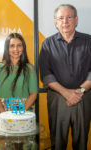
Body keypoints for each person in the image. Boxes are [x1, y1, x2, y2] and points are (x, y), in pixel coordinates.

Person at [39, 4, 91, 150]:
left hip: (83, 97)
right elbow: (46, 75)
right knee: (57, 142)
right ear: (56, 22)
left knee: (81, 143)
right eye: (61, 18)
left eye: (69, 17)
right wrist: (67, 93)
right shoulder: (48, 44)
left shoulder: (88, 41)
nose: (65, 22)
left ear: (76, 20)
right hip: (58, 98)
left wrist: (79, 92)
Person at [0, 33, 38, 150]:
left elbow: (33, 93)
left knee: (26, 146)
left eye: (19, 45)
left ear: (23, 47)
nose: (16, 49)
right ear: (7, 48)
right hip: (2, 112)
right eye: (12, 46)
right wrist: (4, 115)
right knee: (2, 146)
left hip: (24, 113)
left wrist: (20, 114)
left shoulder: (29, 68)